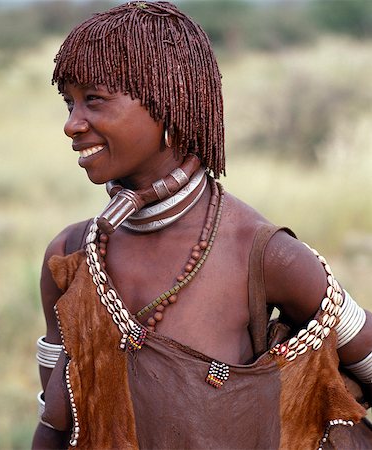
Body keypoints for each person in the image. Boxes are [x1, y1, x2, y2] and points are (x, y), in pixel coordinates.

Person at [32, 2, 372, 449]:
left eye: (94, 99)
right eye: (69, 102)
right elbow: (55, 426)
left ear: (168, 106)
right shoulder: (71, 258)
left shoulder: (261, 253)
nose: (72, 124)